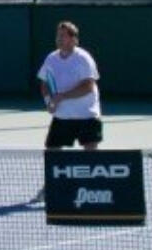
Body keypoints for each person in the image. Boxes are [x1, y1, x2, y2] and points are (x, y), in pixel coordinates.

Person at [32, 20, 102, 204]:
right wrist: (48, 101)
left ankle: (94, 191)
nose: (59, 39)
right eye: (58, 35)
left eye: (63, 36)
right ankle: (50, 187)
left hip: (86, 115)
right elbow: (44, 83)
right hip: (62, 117)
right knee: (53, 152)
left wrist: (62, 96)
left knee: (90, 155)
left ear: (74, 39)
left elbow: (88, 86)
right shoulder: (51, 58)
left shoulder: (83, 58)